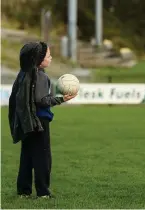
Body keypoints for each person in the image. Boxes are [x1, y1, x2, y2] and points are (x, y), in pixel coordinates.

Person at [8, 42, 76, 198]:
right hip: (39, 123)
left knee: (27, 157)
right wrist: (61, 99)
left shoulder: (24, 74)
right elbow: (42, 100)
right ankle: (43, 192)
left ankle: (23, 191)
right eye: (47, 55)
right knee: (43, 158)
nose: (50, 57)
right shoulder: (41, 76)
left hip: (27, 122)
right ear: (38, 59)